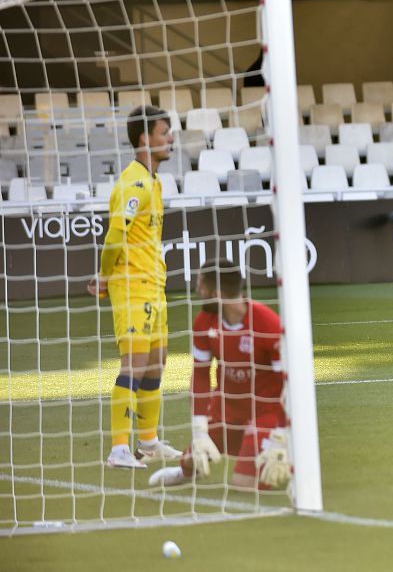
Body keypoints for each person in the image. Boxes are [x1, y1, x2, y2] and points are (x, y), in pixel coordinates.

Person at [87, 105, 182, 469]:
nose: (169, 138)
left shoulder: (154, 180)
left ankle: (149, 441)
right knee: (135, 364)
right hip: (132, 287)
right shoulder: (134, 182)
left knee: (157, 364)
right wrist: (105, 275)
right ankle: (119, 449)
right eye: (163, 132)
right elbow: (114, 235)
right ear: (144, 139)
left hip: (154, 286)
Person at [149, 261, 291, 490]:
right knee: (190, 460)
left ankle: (293, 458)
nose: (197, 290)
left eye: (200, 285)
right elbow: (201, 377)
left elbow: (288, 382)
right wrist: (199, 430)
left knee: (244, 484)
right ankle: (183, 473)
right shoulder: (204, 322)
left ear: (215, 293)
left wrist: (282, 434)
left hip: (266, 412)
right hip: (227, 411)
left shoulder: (266, 323)